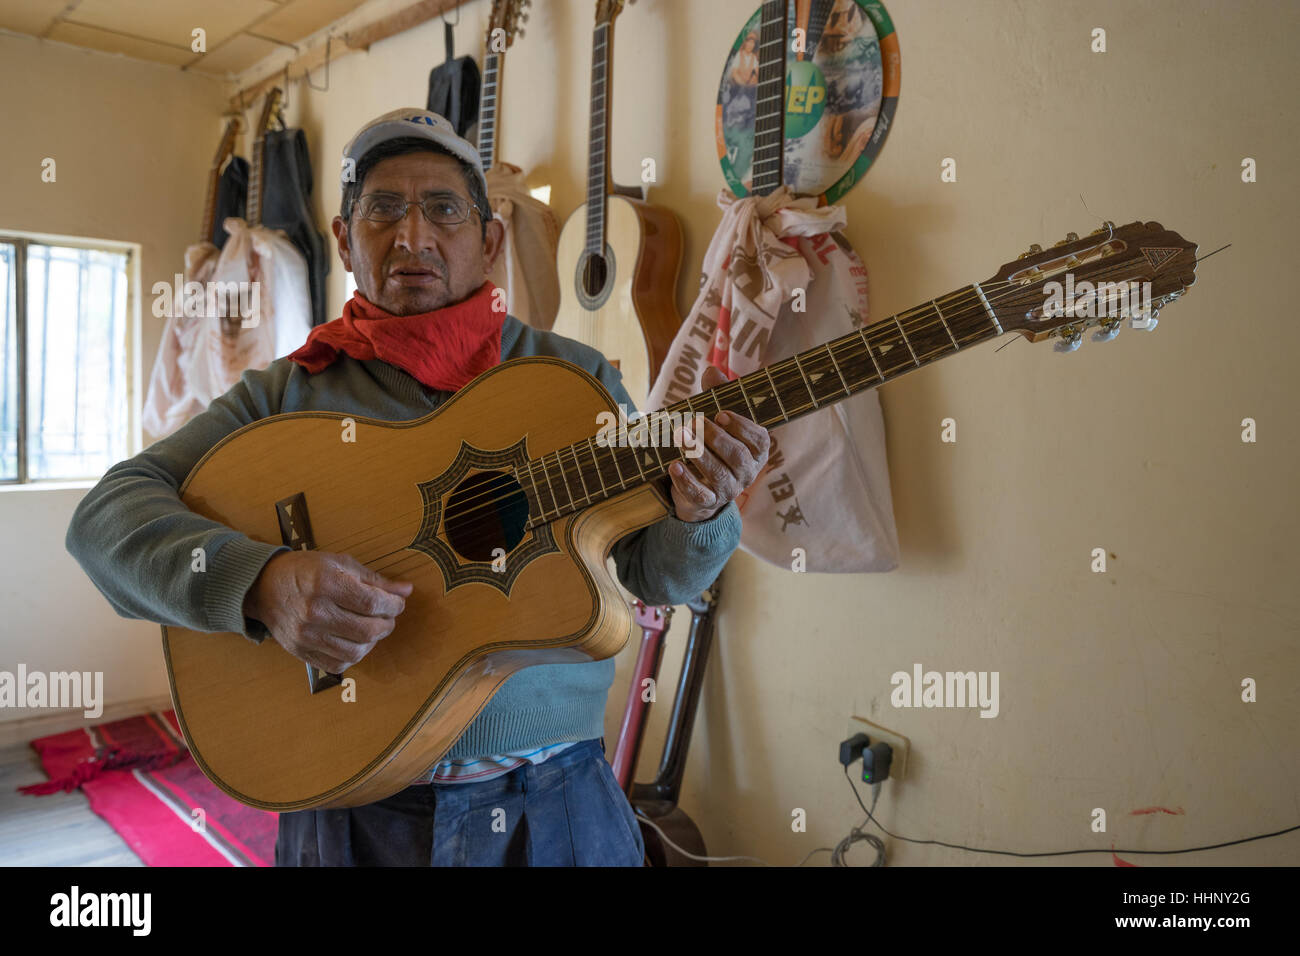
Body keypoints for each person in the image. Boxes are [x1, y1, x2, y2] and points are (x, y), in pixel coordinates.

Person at [65, 108, 771, 867]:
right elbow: (103, 520)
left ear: (489, 241)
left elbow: (650, 574)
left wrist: (700, 512)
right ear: (343, 239)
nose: (413, 237)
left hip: (554, 807)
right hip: (347, 812)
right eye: (383, 209)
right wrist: (260, 582)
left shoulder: (575, 385)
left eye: (443, 209)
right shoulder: (287, 393)